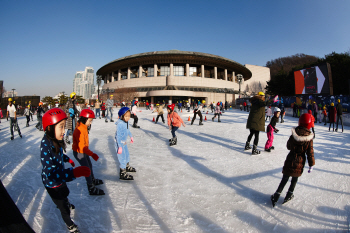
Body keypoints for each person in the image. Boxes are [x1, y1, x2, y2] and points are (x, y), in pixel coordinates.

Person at [41, 108, 91, 232]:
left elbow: (58, 155)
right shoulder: (45, 145)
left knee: (65, 193)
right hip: (52, 184)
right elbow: (52, 174)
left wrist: (68, 159)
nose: (64, 131)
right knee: (63, 208)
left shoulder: (54, 141)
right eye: (61, 127)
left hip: (61, 178)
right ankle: (70, 224)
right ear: (49, 128)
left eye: (64, 127)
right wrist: (73, 172)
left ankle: (65, 201)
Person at [270, 113, 315, 207]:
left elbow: (288, 146)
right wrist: (311, 164)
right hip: (300, 161)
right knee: (294, 179)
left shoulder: (294, 133)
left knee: (285, 178)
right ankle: (289, 194)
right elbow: (310, 153)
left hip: (290, 158)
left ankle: (276, 195)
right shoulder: (309, 138)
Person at [72, 109, 104, 195]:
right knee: (87, 169)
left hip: (83, 151)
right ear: (84, 119)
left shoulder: (83, 127)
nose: (91, 123)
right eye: (90, 121)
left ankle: (92, 180)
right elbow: (82, 147)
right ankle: (91, 188)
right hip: (79, 152)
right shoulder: (80, 129)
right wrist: (92, 154)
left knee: (89, 166)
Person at [115, 107, 136, 180]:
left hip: (124, 142)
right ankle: (122, 173)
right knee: (122, 158)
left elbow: (128, 130)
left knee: (127, 155)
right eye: (126, 116)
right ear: (121, 116)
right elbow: (118, 136)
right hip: (119, 143)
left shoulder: (126, 122)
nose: (128, 118)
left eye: (129, 116)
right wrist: (119, 146)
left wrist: (131, 136)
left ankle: (126, 166)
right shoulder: (120, 124)